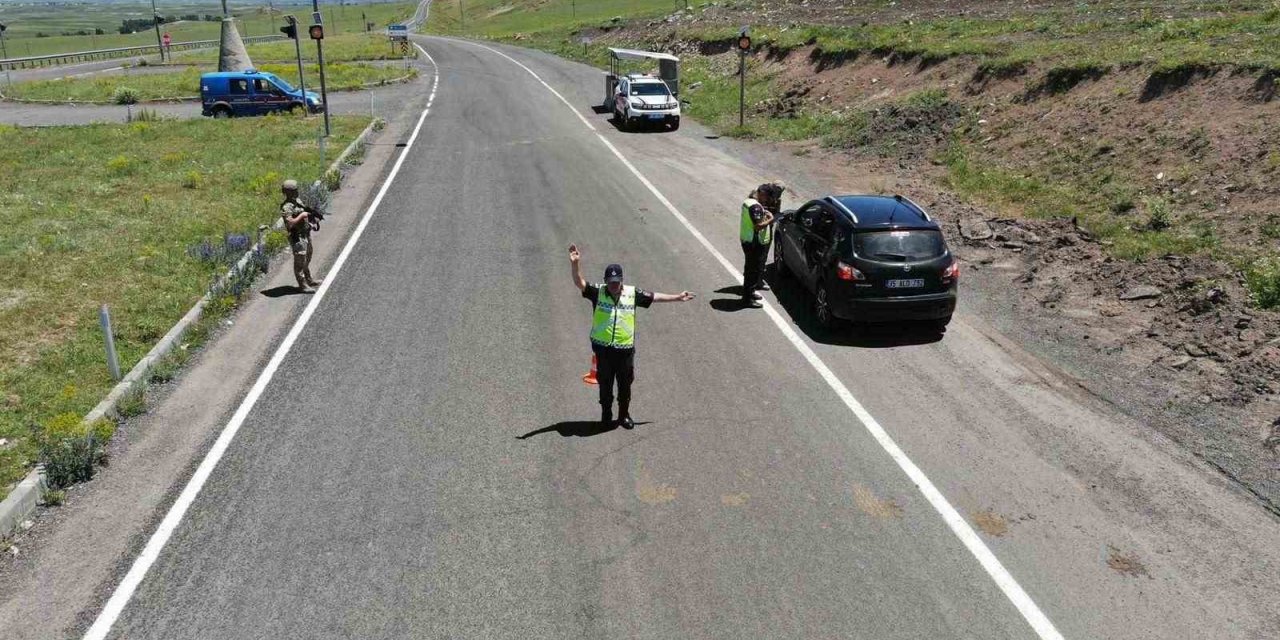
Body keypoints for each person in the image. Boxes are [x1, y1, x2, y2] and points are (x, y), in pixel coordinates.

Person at [569, 244, 695, 430]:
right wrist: (575, 263)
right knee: (605, 384)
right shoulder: (598, 291)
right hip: (603, 350)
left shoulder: (632, 293)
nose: (614, 285)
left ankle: (623, 415)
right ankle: (606, 414)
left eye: (617, 282)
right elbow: (579, 282)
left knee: (625, 384)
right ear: (605, 281)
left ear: (622, 280)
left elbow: (654, 297)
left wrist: (677, 297)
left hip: (625, 350)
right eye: (611, 282)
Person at [740, 182, 784, 308]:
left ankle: (750, 292)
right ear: (762, 194)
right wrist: (771, 218)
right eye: (768, 196)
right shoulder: (755, 207)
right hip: (753, 242)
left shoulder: (749, 202)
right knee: (752, 271)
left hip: (748, 240)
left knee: (752, 269)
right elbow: (758, 226)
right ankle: (747, 299)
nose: (769, 199)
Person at [280, 179, 321, 292]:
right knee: (300, 261)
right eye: (295, 190)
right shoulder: (287, 207)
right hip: (297, 237)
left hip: (305, 234)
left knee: (307, 257)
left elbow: (304, 215)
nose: (297, 191)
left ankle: (309, 280)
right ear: (288, 192)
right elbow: (290, 223)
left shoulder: (297, 201)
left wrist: (311, 223)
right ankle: (302, 285)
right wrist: (302, 215)